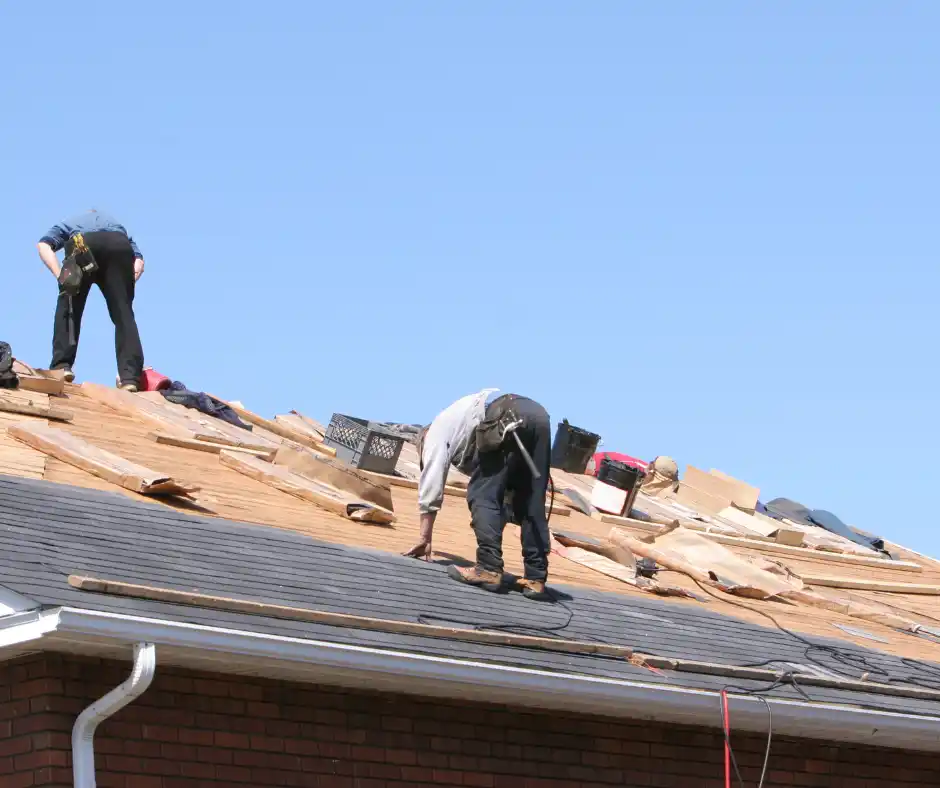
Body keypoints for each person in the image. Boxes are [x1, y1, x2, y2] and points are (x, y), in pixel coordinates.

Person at [405, 389, 553, 601]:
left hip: (506, 414)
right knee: (531, 497)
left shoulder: (435, 432)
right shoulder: (460, 418)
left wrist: (424, 537)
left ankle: (488, 569)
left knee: (482, 494)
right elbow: (503, 502)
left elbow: (433, 477)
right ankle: (535, 578)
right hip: (538, 415)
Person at [36, 209, 146, 390]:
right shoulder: (118, 226)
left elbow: (43, 245)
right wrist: (125, 287)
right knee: (123, 314)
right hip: (118, 245)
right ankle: (130, 378)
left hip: (82, 243)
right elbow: (139, 263)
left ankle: (61, 366)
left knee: (69, 304)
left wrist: (61, 278)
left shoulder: (70, 220)